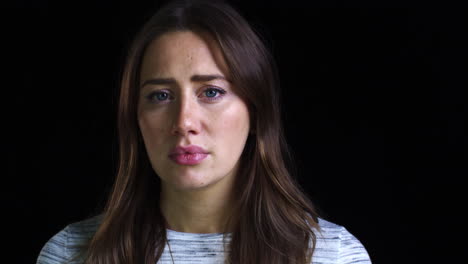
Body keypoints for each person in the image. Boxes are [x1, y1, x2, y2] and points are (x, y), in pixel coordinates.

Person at [36, 0, 372, 263]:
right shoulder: (72, 254)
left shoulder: (331, 255)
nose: (184, 122)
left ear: (255, 112)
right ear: (136, 118)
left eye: (211, 92)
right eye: (160, 96)